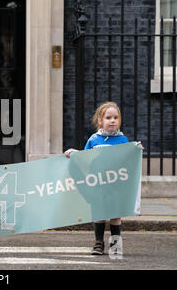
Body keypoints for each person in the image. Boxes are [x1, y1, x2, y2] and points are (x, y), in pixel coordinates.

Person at [64, 101, 142, 256]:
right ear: (101, 121)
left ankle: (115, 245)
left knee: (115, 215)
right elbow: (84, 159)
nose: (112, 120)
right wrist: (73, 153)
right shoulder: (94, 140)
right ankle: (98, 244)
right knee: (99, 214)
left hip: (116, 185)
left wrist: (136, 150)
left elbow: (128, 161)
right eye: (108, 117)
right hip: (99, 184)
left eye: (115, 117)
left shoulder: (123, 140)